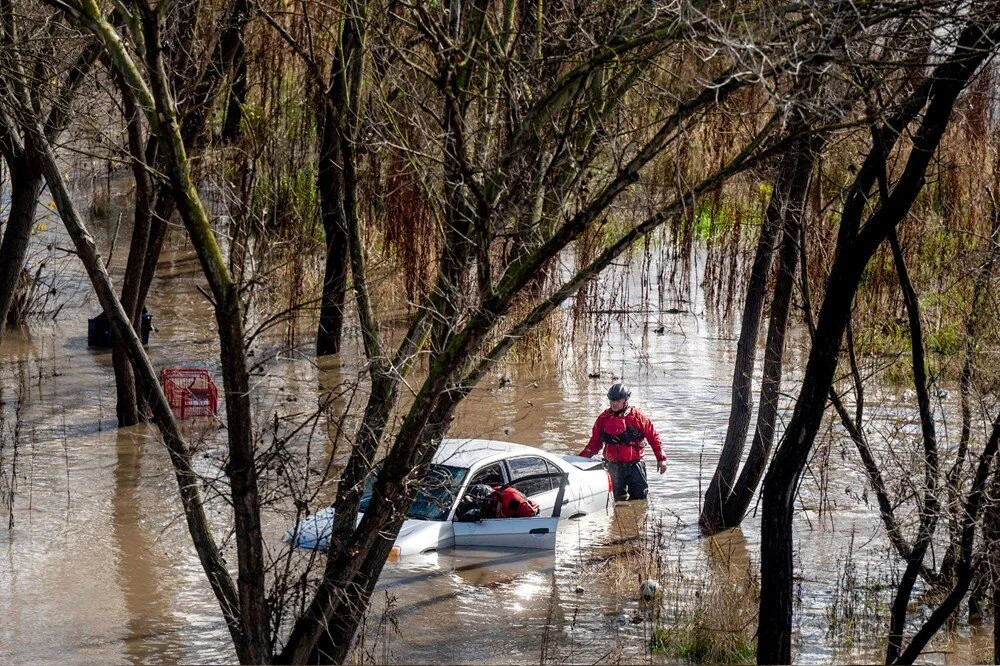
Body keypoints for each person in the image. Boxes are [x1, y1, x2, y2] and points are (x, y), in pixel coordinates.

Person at [579, 383, 666, 500]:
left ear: (625, 400)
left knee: (639, 500)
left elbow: (653, 437)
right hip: (613, 467)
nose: (614, 403)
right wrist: (579, 461)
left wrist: (661, 459)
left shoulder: (637, 416)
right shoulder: (603, 419)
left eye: (618, 400)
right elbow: (594, 444)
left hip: (635, 467)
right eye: (612, 400)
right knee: (614, 500)